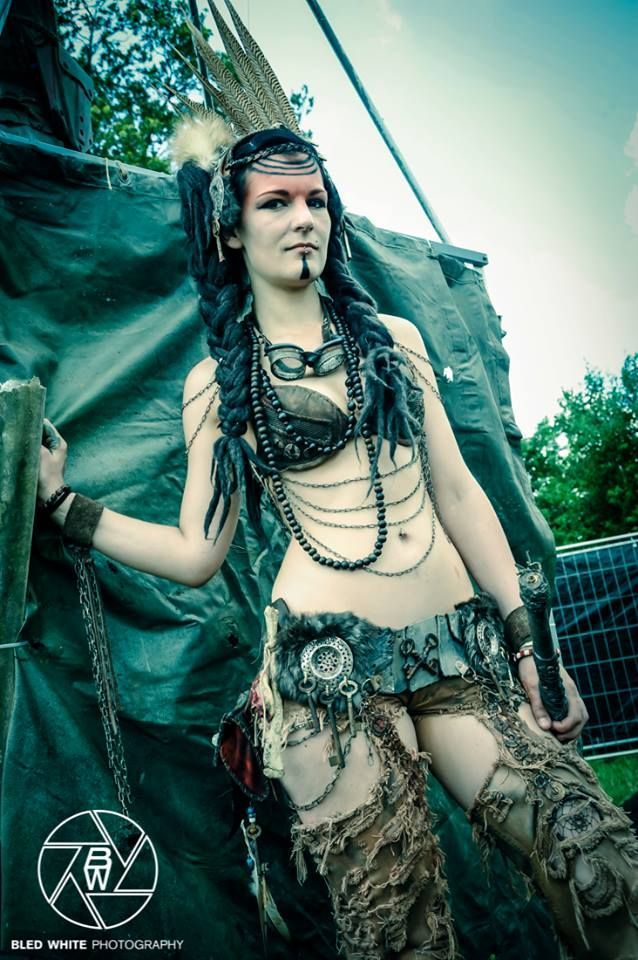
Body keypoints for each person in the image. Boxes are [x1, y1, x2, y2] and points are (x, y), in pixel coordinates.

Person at [37, 8, 638, 960]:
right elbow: (196, 554)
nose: (302, 218)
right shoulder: (219, 384)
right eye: (275, 204)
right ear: (232, 229)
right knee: (399, 933)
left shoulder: (393, 342)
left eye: (315, 200)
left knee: (598, 868)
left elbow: (460, 496)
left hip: (461, 655)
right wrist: (68, 506)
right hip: (327, 678)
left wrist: (528, 642)